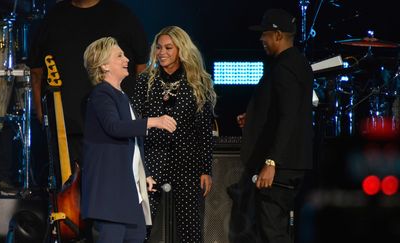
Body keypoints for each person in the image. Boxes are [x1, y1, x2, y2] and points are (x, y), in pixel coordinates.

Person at [28, 0, 149, 167]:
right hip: (67, 128)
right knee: (70, 189)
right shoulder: (53, 18)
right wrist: (42, 113)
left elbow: (142, 68)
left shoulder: (122, 16)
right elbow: (36, 71)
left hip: (118, 126)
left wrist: (141, 110)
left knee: (112, 185)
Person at [81, 37, 177, 243]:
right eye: (119, 56)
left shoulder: (121, 96)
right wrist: (153, 121)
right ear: (104, 65)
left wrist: (144, 175)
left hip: (128, 194)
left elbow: (131, 145)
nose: (126, 59)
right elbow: (114, 127)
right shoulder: (102, 94)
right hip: (110, 197)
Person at [132, 26, 217, 242]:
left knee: (190, 229)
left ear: (181, 49)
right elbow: (135, 123)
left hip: (186, 162)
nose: (162, 52)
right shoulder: (145, 81)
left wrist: (205, 169)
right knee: (141, 227)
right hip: (152, 159)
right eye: (159, 47)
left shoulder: (198, 82)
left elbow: (204, 132)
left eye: (168, 47)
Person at [236, 9, 314, 243]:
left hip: (281, 167)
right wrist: (255, 118)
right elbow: (288, 111)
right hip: (295, 163)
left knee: (272, 232)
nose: (262, 39)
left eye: (266, 34)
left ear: (278, 35)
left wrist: (271, 162)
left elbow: (289, 116)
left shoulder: (283, 68)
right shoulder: (300, 64)